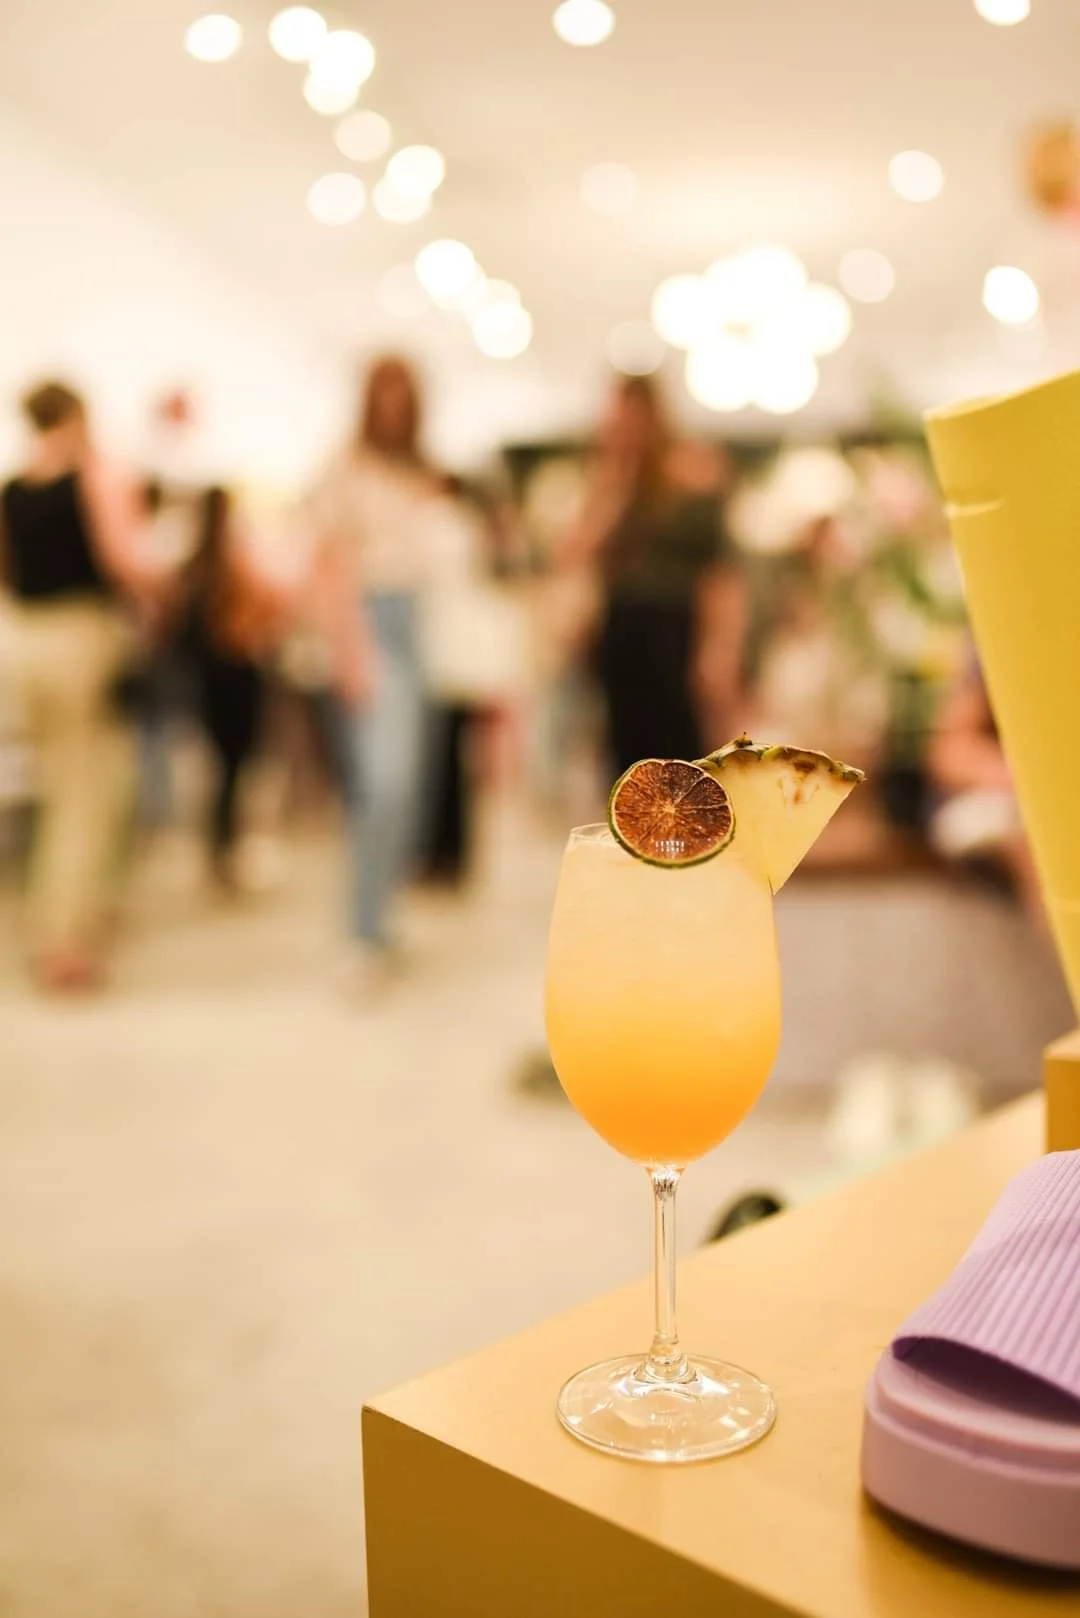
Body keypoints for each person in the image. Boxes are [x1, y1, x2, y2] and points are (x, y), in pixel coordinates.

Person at [0, 381, 157, 989]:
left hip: (26, 642)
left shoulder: (13, 489)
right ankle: (67, 939)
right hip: (80, 639)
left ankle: (57, 921)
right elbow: (128, 560)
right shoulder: (96, 479)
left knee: (57, 786)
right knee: (82, 797)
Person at [309, 356, 440, 983]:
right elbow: (330, 564)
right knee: (382, 785)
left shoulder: (419, 469)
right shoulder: (347, 467)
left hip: (421, 622)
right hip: (373, 624)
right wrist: (350, 651)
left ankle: (380, 918)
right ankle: (363, 931)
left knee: (408, 787)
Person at [565, 375, 747, 774]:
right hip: (621, 631)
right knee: (627, 755)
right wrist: (615, 482)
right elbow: (576, 552)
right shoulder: (610, 483)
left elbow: (719, 571)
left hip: (674, 629)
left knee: (680, 753)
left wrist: (719, 647)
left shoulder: (691, 478)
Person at [174, 486, 286, 890]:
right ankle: (227, 850)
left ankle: (219, 850)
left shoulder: (193, 562)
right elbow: (270, 604)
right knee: (235, 768)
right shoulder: (237, 559)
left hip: (207, 674)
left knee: (220, 769)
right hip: (238, 669)